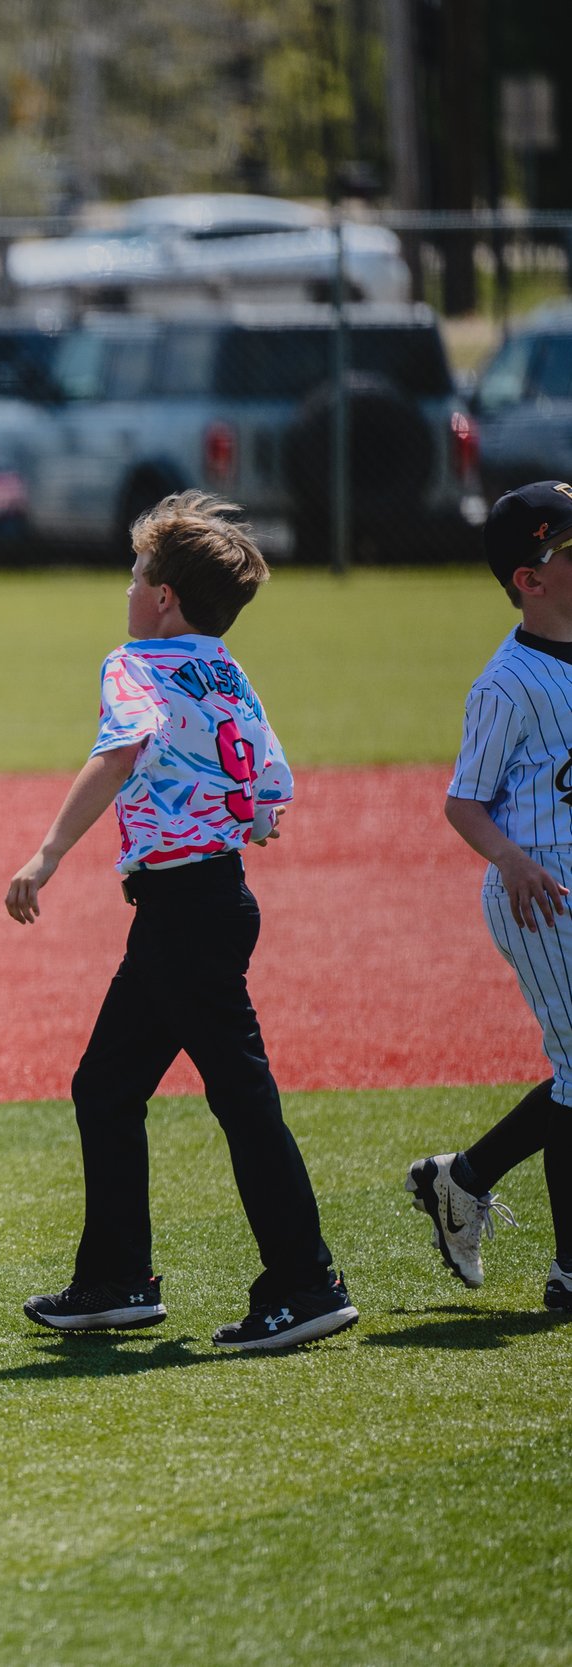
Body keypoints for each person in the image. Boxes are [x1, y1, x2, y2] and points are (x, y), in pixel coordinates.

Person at [6, 490, 355, 1352]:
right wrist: (244, 816)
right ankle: (116, 1280)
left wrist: (46, 853)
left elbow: (121, 750)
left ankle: (304, 1281)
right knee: (110, 1085)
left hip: (184, 908)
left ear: (163, 596)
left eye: (136, 576)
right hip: (215, 899)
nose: (128, 591)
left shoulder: (136, 663)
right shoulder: (227, 668)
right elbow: (271, 787)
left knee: (239, 1092)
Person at [407, 481, 572, 1311]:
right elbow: (462, 801)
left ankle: (462, 1179)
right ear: (528, 577)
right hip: (540, 893)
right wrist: (510, 861)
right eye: (569, 550)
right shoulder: (506, 684)